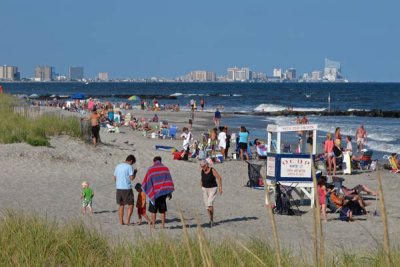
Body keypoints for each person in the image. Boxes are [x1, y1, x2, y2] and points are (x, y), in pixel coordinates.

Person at [142, 156, 174, 229]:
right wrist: (169, 192)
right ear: (160, 161)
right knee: (162, 210)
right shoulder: (165, 169)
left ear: (154, 161)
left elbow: (147, 182)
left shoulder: (150, 169)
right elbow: (169, 182)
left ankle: (153, 225)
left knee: (153, 211)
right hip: (163, 193)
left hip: (153, 193)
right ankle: (163, 225)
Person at [113, 155, 137, 225]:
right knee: (131, 204)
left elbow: (114, 178)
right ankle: (128, 221)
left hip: (119, 188)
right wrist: (135, 172)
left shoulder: (118, 166)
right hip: (126, 188)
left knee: (121, 205)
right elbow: (132, 178)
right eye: (132, 163)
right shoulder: (129, 167)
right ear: (131, 161)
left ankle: (121, 221)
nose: (132, 164)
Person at [200, 160, 222, 227]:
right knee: (207, 206)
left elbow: (219, 178)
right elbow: (202, 178)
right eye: (201, 166)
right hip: (205, 189)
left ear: (207, 165)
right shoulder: (202, 171)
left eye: (203, 166)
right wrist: (201, 185)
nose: (202, 168)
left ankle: (212, 220)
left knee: (210, 204)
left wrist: (220, 188)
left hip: (213, 188)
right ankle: (210, 220)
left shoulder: (212, 170)